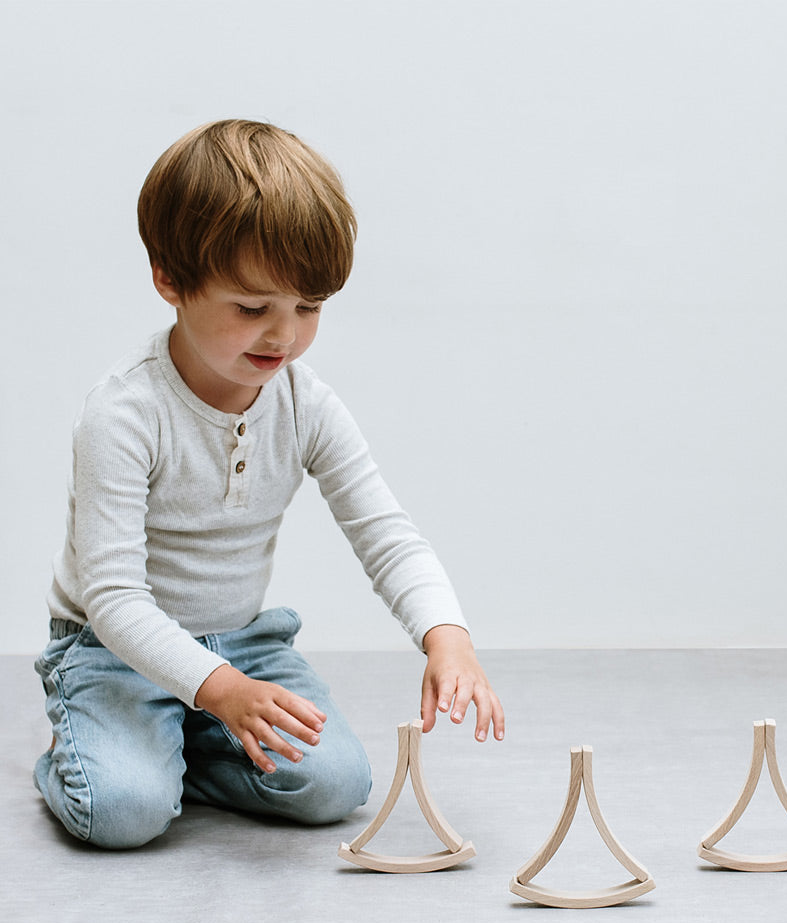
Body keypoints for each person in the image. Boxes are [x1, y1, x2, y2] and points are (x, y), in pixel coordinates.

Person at [33, 119, 504, 849]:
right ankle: (104, 746)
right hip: (110, 649)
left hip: (241, 648)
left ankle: (184, 747)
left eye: (307, 308)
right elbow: (114, 599)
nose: (283, 337)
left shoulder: (304, 404)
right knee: (122, 814)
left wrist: (448, 637)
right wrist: (222, 693)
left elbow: (386, 533)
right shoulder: (124, 414)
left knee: (336, 786)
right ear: (170, 280)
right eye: (252, 309)